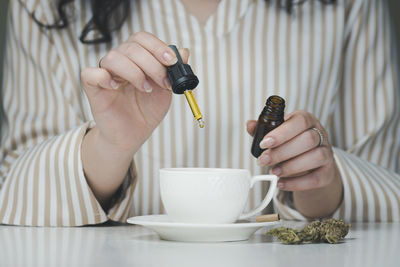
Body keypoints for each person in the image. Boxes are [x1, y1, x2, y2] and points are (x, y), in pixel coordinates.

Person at [0, 0, 399, 227]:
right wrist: (109, 145)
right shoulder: (43, 6)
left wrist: (318, 183)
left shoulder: (349, 5)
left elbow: (386, 200)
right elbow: (13, 198)